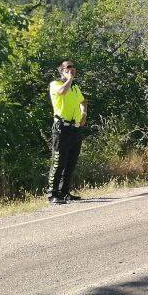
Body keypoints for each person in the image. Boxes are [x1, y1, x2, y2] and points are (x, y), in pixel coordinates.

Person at [47, 60, 87, 204]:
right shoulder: (56, 84)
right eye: (68, 67)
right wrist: (69, 79)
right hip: (61, 128)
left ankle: (64, 192)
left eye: (73, 67)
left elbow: (83, 101)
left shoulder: (75, 87)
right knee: (59, 161)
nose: (72, 69)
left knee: (71, 162)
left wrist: (84, 113)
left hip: (75, 128)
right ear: (61, 70)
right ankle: (52, 194)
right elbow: (62, 92)